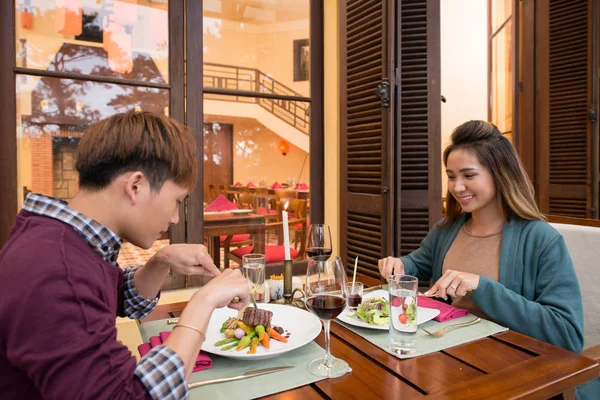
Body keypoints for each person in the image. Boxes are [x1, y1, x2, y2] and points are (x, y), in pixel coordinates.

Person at [0, 111, 250, 399]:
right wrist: (204, 301)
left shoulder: (62, 240)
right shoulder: (56, 270)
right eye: (176, 201)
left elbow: (118, 299)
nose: (175, 219)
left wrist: (161, 259)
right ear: (135, 186)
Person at [378, 120, 598, 398]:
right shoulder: (447, 229)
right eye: (451, 176)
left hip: (513, 377)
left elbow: (566, 335)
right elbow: (417, 263)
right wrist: (399, 264)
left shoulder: (541, 239)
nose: (458, 187)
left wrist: (483, 287)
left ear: (500, 174)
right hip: (445, 363)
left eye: (469, 175)